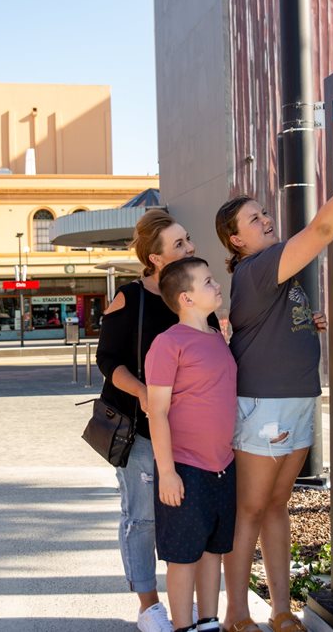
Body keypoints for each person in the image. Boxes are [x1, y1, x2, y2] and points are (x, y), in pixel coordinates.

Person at [214, 117, 333, 632]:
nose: (265, 219)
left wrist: (306, 326)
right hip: (264, 406)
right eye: (254, 218)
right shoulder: (257, 268)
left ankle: (281, 609)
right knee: (250, 509)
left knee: (275, 508)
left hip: (296, 400)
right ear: (234, 239)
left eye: (264, 212)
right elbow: (322, 229)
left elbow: (275, 325)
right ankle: (236, 614)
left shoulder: (277, 271)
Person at [96, 209, 218, 632]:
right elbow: (107, 361)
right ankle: (149, 606)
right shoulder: (130, 298)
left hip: (190, 436)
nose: (190, 248)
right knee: (142, 517)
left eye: (188, 240)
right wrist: (145, 394)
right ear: (155, 259)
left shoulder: (197, 299)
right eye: (180, 245)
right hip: (140, 429)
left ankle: (192, 606)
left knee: (185, 517)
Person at [145, 257, 237, 632]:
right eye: (208, 281)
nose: (217, 286)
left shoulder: (217, 337)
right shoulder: (168, 344)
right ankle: (183, 625)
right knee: (183, 556)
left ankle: (209, 621)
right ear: (186, 298)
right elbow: (157, 411)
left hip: (223, 465)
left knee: (213, 550)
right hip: (184, 467)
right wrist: (167, 472)